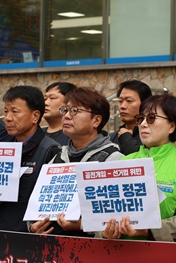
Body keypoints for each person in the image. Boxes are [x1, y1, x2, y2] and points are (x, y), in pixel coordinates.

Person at [102, 93, 176, 242]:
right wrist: (104, 231)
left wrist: (149, 231)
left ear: (172, 126)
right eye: (141, 119)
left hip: (164, 259)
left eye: (151, 118)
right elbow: (100, 214)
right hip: (118, 257)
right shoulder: (121, 163)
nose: (144, 124)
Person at [29, 87, 123, 236]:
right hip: (54, 252)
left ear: (96, 120)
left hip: (92, 254)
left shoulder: (113, 159)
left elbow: (118, 220)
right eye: (65, 110)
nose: (66, 116)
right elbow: (38, 206)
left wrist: (83, 225)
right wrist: (33, 226)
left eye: (75, 111)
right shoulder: (58, 157)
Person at [0, 86, 60, 232]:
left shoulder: (50, 150)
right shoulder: (1, 150)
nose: (8, 118)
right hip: (0, 236)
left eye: (15, 112)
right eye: (6, 112)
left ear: (35, 116)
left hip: (29, 240)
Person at [109, 80, 152, 155]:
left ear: (145, 104)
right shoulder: (111, 138)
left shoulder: (152, 137)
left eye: (129, 101)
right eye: (120, 101)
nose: (122, 106)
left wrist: (126, 139)